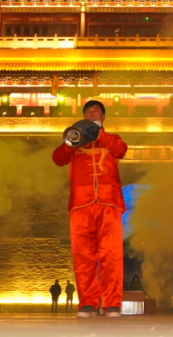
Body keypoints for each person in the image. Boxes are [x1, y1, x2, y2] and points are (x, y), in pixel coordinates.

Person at [52, 100, 128, 318]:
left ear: (103, 117)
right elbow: (57, 159)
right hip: (80, 203)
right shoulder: (74, 141)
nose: (91, 113)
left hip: (109, 202)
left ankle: (112, 303)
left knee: (111, 255)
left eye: (95, 112)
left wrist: (99, 135)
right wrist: (71, 142)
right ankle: (88, 302)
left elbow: (120, 150)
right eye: (87, 112)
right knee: (83, 256)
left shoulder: (112, 139)